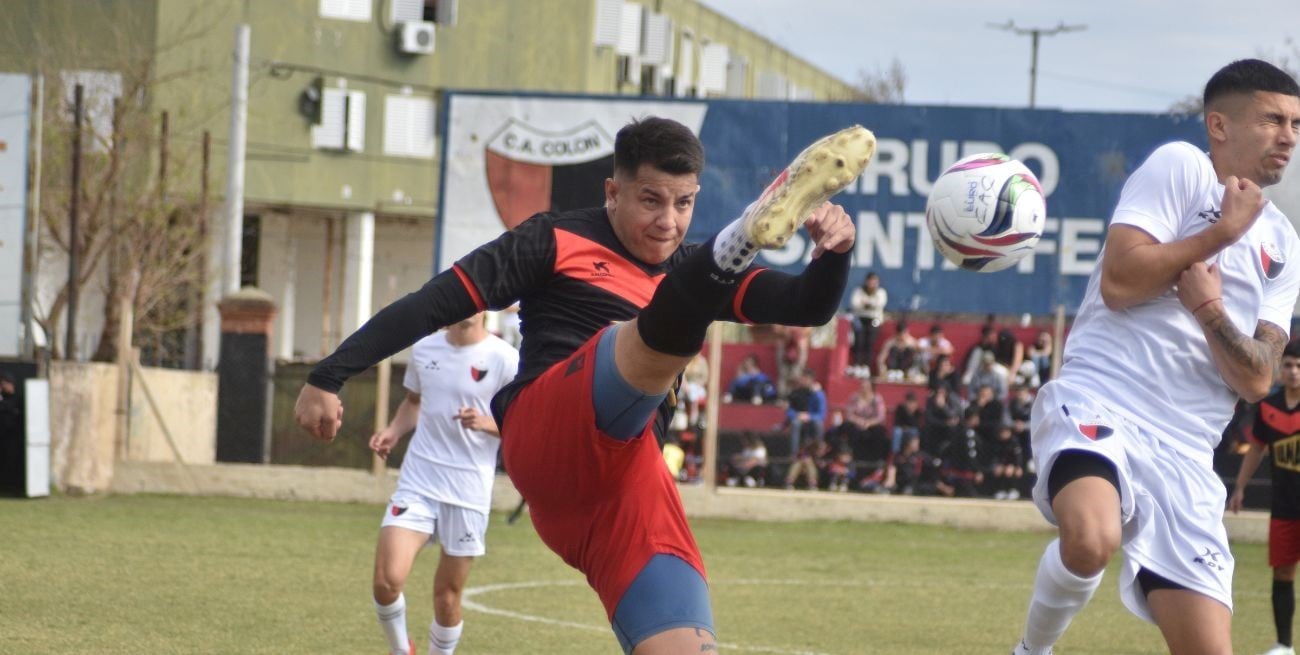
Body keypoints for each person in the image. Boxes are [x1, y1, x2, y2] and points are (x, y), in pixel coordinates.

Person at [295, 117, 874, 654]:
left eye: (684, 203)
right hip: (551, 427)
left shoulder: (690, 269)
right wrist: (328, 374)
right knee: (651, 330)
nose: (668, 222)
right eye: (651, 200)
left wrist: (837, 252)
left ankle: (739, 240)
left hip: (625, 486)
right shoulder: (553, 239)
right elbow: (433, 303)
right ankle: (744, 231)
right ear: (612, 192)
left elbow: (807, 305)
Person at [1011, 60, 1300, 655]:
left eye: (1296, 124)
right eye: (1273, 119)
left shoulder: (1283, 243)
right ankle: (1030, 652)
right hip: (1103, 401)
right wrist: (1220, 234)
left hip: (1189, 454)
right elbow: (1120, 282)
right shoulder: (1181, 168)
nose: (1289, 137)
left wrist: (1209, 311)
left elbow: (1258, 378)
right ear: (1219, 125)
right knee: (1091, 538)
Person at [367, 313, 519, 655]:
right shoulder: (424, 349)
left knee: (447, 598)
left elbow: (525, 421)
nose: (467, 307)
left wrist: (487, 423)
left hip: (468, 490)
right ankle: (401, 650)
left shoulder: (505, 358)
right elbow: (414, 402)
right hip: (419, 480)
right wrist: (393, 431)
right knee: (386, 582)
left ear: (484, 307)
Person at [1231, 340, 1300, 655]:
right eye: (1288, 365)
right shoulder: (1268, 407)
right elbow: (1256, 448)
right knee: (1282, 573)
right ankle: (1284, 645)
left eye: (1298, 366)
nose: (1294, 371)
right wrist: (1240, 487)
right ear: (1280, 369)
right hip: (1284, 506)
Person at [848, 271, 887, 376]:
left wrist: (865, 303)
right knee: (859, 342)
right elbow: (855, 304)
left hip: (874, 319)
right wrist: (869, 304)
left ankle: (866, 366)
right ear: (866, 281)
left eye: (874, 282)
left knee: (869, 343)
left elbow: (879, 304)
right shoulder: (859, 291)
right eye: (870, 281)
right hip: (860, 319)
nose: (872, 284)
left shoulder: (880, 292)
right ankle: (857, 365)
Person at [784, 367, 827, 460]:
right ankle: (793, 455)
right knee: (795, 424)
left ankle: (817, 453)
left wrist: (809, 416)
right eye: (802, 378)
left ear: (811, 379)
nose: (803, 380)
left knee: (818, 424)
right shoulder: (796, 393)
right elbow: (789, 410)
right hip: (799, 418)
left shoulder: (819, 394)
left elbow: (821, 414)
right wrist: (797, 415)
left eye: (805, 378)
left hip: (812, 420)